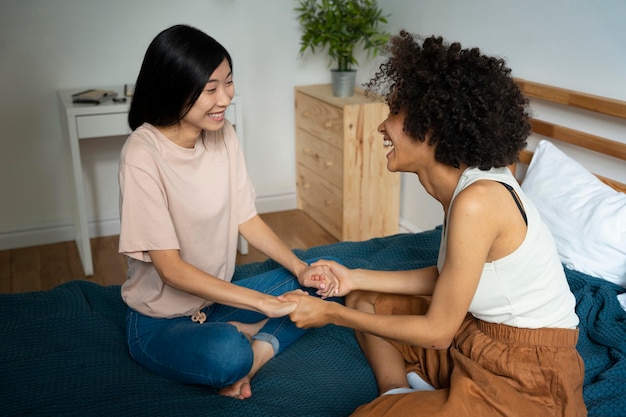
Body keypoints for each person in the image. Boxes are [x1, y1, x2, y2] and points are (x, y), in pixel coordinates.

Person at [280, 31, 586, 417]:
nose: (382, 127)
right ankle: (395, 393)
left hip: (527, 375)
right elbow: (450, 275)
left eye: (394, 113)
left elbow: (438, 333)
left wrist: (332, 315)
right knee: (365, 300)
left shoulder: (478, 202)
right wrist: (354, 277)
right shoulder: (465, 184)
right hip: (477, 337)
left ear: (431, 127)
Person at [118, 24, 338, 400]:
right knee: (225, 354)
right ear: (174, 87)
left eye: (229, 82)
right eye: (210, 89)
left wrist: (301, 268)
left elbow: (246, 217)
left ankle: (255, 351)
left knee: (325, 285)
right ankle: (243, 344)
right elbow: (170, 270)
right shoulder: (142, 154)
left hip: (216, 303)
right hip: (160, 324)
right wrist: (261, 303)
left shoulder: (223, 133)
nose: (225, 98)